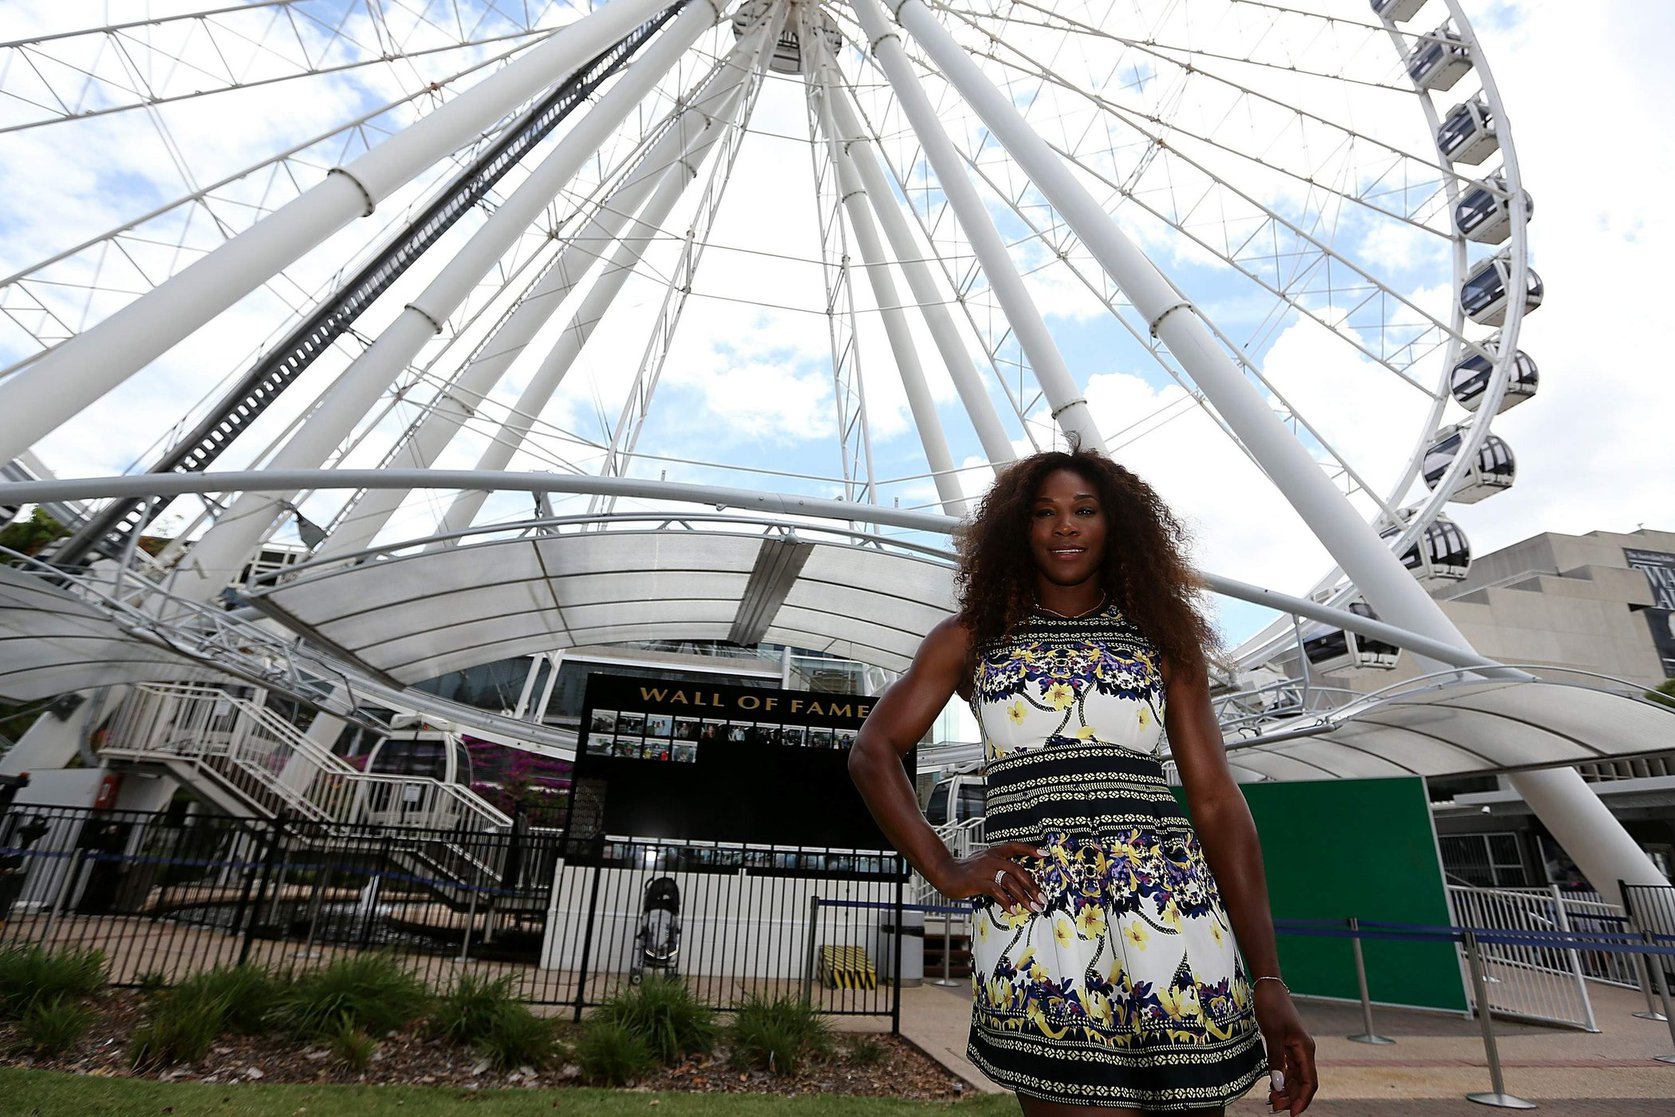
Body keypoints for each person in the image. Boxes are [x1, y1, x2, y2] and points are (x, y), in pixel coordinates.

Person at [849, 448, 1317, 1115]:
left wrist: (1268, 979)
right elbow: (873, 750)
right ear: (1018, 528)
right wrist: (945, 867)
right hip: (1042, 928)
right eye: (1044, 513)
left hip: (1171, 919)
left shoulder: (1163, 637)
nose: (1063, 527)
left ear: (1114, 524)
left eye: (1083, 510)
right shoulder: (969, 637)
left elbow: (1213, 800)